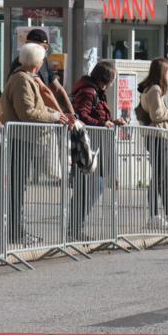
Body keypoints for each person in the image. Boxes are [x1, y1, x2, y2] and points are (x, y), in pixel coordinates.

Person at [0, 42, 74, 244]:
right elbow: (28, 113)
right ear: (37, 62)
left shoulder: (27, 79)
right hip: (20, 139)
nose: (43, 63)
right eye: (42, 59)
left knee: (20, 188)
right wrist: (55, 117)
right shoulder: (22, 80)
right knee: (17, 189)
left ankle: (17, 230)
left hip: (24, 139)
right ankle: (15, 232)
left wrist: (57, 114)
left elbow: (36, 108)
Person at [69, 61, 120, 240]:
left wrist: (112, 121)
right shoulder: (89, 92)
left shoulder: (96, 92)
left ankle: (76, 228)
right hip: (86, 146)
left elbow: (95, 115)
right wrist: (101, 123)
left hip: (93, 145)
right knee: (88, 188)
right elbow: (81, 115)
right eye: (113, 77)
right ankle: (74, 229)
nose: (114, 81)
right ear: (106, 78)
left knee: (92, 187)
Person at [137, 58, 168, 230]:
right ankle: (156, 215)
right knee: (160, 177)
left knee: (162, 177)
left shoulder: (150, 89)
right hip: (157, 137)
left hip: (157, 137)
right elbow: (157, 115)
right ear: (162, 73)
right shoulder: (155, 90)